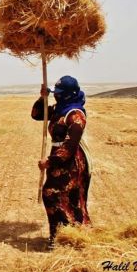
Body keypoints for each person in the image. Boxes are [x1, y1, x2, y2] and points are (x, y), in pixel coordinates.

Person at [32, 75, 91, 248]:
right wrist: (43, 98)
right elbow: (36, 115)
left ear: (68, 94)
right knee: (57, 196)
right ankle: (62, 237)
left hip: (72, 162)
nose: (56, 96)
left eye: (58, 93)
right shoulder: (59, 110)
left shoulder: (76, 115)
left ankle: (67, 236)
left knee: (54, 194)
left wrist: (50, 161)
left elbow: (70, 145)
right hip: (58, 158)